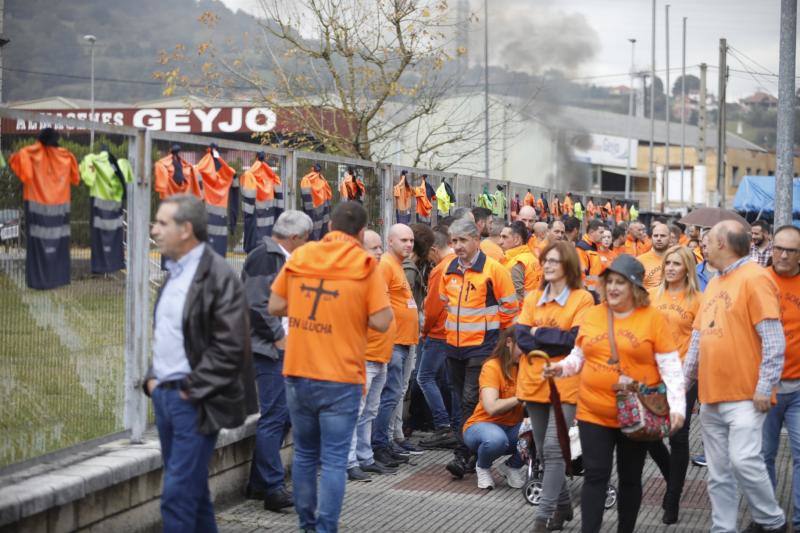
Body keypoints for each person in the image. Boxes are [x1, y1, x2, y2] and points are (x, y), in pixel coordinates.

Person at [268, 201, 393, 533]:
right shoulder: (365, 264)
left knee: (305, 456)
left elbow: (275, 304)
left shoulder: (303, 256)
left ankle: (306, 525)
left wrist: (313, 307)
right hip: (341, 377)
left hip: (298, 372)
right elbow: (382, 321)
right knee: (335, 460)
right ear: (362, 232)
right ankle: (326, 529)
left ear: (328, 228)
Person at [544, 254, 685, 533]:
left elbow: (671, 366)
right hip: (593, 412)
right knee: (596, 476)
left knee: (630, 478)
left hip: (636, 412)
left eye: (621, 282)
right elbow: (579, 356)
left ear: (635, 287)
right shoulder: (594, 314)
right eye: (610, 281)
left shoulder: (653, 318)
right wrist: (560, 369)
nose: (613, 288)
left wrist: (678, 407)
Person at [146, 194, 257, 532]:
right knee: (192, 494)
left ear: (186, 230)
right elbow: (169, 334)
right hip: (166, 396)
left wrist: (190, 390)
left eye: (163, 223)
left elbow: (231, 345)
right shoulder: (175, 272)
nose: (154, 230)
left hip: (193, 400)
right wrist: (152, 379)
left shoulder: (217, 275)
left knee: (176, 497)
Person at [683, 220, 786, 533]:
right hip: (711, 396)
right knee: (718, 473)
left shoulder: (755, 279)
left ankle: (772, 520)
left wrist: (764, 386)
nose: (704, 245)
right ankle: (723, 528)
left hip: (746, 395)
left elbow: (774, 340)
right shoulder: (714, 282)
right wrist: (680, 387)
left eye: (708, 240)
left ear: (724, 244)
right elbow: (698, 341)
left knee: (744, 461)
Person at [515, 242, 595, 531]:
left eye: (554, 261)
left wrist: (540, 334)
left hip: (566, 382)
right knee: (546, 450)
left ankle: (543, 516)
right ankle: (563, 506)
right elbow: (521, 337)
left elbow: (575, 341)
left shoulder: (582, 299)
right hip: (533, 381)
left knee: (553, 447)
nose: (547, 265)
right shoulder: (533, 297)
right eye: (545, 260)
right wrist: (549, 337)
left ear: (568, 266)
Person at [243, 210, 312, 510]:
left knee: (282, 416)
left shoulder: (282, 257)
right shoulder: (266, 257)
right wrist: (277, 337)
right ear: (295, 237)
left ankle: (259, 483)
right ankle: (272, 488)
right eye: (306, 239)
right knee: (275, 416)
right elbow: (255, 302)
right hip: (269, 349)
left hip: (283, 347)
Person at [440, 219, 518, 478]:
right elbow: (445, 306)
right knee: (459, 399)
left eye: (462, 241)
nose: (458, 246)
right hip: (454, 347)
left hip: (482, 347)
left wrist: (497, 343)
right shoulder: (449, 269)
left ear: (476, 240)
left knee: (469, 399)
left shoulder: (494, 270)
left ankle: (463, 455)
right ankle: (471, 448)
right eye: (454, 241)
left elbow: (509, 309)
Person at [647, 245, 701, 525]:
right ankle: (672, 477)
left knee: (678, 437)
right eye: (668, 263)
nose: (670, 268)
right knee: (650, 436)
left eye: (676, 264)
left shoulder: (697, 300)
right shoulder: (653, 297)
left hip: (683, 375)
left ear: (687, 269)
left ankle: (673, 500)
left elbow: (699, 341)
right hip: (654, 375)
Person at [347, 230, 398, 482]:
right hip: (364, 357)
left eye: (380, 248)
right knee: (356, 411)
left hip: (381, 355)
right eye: (374, 248)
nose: (379, 252)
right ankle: (349, 461)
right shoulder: (355, 277)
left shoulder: (376, 274)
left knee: (369, 411)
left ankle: (365, 457)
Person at [762, 225, 800, 532]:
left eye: (790, 250)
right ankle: (768, 518)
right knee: (763, 457)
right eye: (779, 248)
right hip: (764, 388)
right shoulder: (758, 282)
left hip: (799, 388)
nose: (783, 255)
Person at [372, 224, 420, 466]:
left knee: (395, 394)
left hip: (405, 340)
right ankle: (379, 444)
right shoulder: (386, 266)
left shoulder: (398, 266)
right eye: (403, 240)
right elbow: (381, 303)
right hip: (394, 341)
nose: (409, 244)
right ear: (390, 241)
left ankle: (387, 441)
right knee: (389, 395)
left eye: (411, 240)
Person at [463, 328, 526, 490]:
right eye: (523, 345)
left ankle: (512, 467)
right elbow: (491, 407)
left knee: (543, 431)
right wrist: (520, 398)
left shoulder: (526, 367)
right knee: (496, 440)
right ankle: (483, 467)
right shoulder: (492, 366)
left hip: (512, 427)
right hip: (481, 426)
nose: (527, 351)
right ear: (509, 342)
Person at [417, 228, 460, 449]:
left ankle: (443, 426)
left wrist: (424, 332)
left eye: (429, 255)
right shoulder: (458, 264)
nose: (429, 260)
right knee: (449, 382)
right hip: (455, 333)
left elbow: (432, 308)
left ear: (434, 249)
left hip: (437, 333)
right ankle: (454, 426)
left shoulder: (440, 270)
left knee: (424, 378)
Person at [500, 221, 542, 301]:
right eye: (500, 237)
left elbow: (517, 298)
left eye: (504, 237)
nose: (500, 241)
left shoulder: (517, 263)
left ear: (517, 240)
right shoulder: (532, 258)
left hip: (521, 312)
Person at [575, 219, 606, 296]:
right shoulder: (581, 248)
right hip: (588, 293)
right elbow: (581, 276)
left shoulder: (596, 247)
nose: (603, 235)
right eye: (601, 232)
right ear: (591, 232)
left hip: (596, 292)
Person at [636, 222, 671, 289]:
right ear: (651, 237)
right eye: (655, 236)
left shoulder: (677, 259)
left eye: (663, 236)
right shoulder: (639, 261)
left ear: (670, 237)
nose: (659, 239)